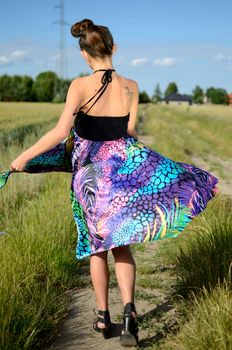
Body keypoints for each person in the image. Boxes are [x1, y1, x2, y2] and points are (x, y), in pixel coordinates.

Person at [8, 18, 218, 347]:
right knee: (122, 245)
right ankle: (130, 314)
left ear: (84, 54)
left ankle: (103, 316)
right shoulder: (130, 86)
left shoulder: (79, 85)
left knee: (97, 248)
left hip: (91, 179)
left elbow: (61, 132)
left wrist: (24, 157)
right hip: (123, 174)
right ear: (113, 49)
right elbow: (129, 134)